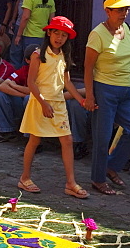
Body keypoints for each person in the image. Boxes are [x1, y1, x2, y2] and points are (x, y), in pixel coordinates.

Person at [18, 16, 89, 198]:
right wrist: (43, 103)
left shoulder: (64, 55)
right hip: (40, 103)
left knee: (67, 140)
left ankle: (70, 183)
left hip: (58, 104)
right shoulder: (37, 54)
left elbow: (67, 83)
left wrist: (81, 100)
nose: (59, 38)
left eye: (64, 35)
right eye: (56, 33)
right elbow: (31, 83)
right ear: (48, 32)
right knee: (34, 140)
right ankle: (24, 178)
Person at [83, 0, 130, 196]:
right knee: (103, 136)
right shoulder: (97, 34)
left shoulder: (128, 28)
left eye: (126, 9)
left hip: (126, 89)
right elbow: (88, 67)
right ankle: (98, 179)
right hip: (104, 88)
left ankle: (111, 166)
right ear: (107, 11)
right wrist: (90, 96)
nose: (124, 13)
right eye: (119, 9)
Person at [12, 0, 54, 68]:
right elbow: (52, 20)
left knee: (28, 62)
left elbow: (25, 17)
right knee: (39, 62)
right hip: (43, 36)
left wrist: (18, 35)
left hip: (30, 35)